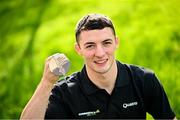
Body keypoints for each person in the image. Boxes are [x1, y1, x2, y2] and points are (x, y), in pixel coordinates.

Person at [20, 13, 176, 119]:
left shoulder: (144, 80)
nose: (100, 53)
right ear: (78, 49)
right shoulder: (65, 92)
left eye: (106, 43)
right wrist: (47, 82)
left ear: (116, 42)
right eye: (90, 46)